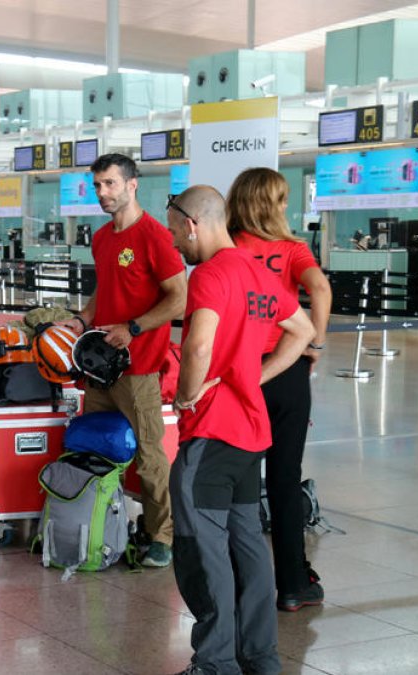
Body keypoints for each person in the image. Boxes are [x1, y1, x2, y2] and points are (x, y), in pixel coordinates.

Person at [165, 186, 314, 675]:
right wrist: (252, 376)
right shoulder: (256, 270)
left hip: (209, 436)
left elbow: (198, 346)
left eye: (173, 232)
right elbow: (304, 332)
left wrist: (187, 394)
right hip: (250, 435)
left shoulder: (209, 275)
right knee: (248, 548)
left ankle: (215, 663)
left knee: (200, 552)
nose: (174, 245)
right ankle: (260, 657)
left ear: (192, 223)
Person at [55, 152, 186, 568]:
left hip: (140, 366)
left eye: (110, 184)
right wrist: (82, 319)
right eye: (97, 185)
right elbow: (105, 290)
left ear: (132, 185)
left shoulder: (156, 236)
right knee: (98, 446)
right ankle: (103, 522)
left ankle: (161, 534)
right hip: (99, 367)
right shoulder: (102, 237)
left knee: (149, 456)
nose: (102, 193)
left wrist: (133, 328)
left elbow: (178, 297)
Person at [227, 168, 332, 612]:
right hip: (286, 370)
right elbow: (320, 289)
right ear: (272, 204)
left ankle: (242, 584)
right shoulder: (292, 250)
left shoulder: (227, 246)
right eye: (283, 200)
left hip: (241, 372)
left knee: (240, 481)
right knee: (285, 479)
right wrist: (316, 341)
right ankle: (292, 584)